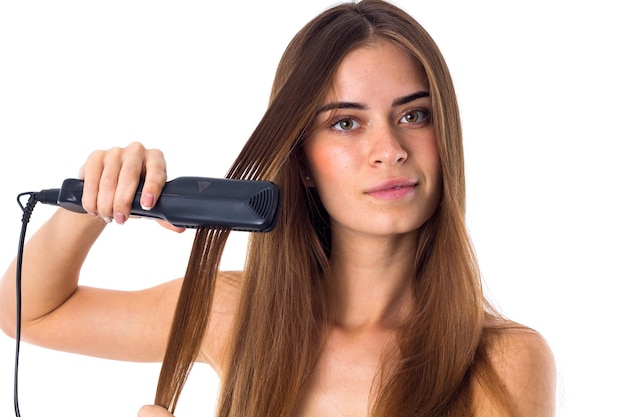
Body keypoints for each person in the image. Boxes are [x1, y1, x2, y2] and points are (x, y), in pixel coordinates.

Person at [0, 0, 556, 416]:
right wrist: (92, 198)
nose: (390, 150)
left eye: (414, 115)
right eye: (345, 123)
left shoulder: (503, 364)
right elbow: (27, 312)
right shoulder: (235, 315)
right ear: (304, 163)